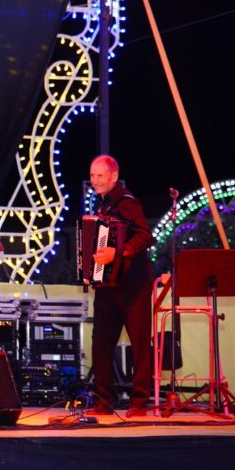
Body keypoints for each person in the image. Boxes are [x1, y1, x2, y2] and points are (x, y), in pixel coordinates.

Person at [87, 154, 154, 417]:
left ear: (114, 176)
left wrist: (119, 253)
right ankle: (104, 400)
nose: (95, 181)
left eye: (99, 175)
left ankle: (139, 403)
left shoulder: (126, 202)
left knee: (139, 344)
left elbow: (145, 235)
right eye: (92, 176)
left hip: (133, 285)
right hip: (107, 286)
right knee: (101, 344)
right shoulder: (102, 206)